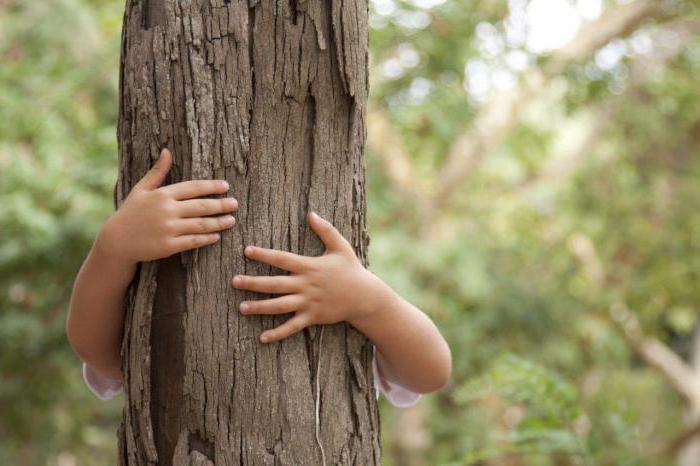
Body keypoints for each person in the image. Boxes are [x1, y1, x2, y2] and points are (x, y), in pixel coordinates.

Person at [66, 148, 452, 408]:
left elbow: (430, 372)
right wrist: (112, 249)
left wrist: (369, 301)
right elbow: (101, 354)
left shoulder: (339, 309)